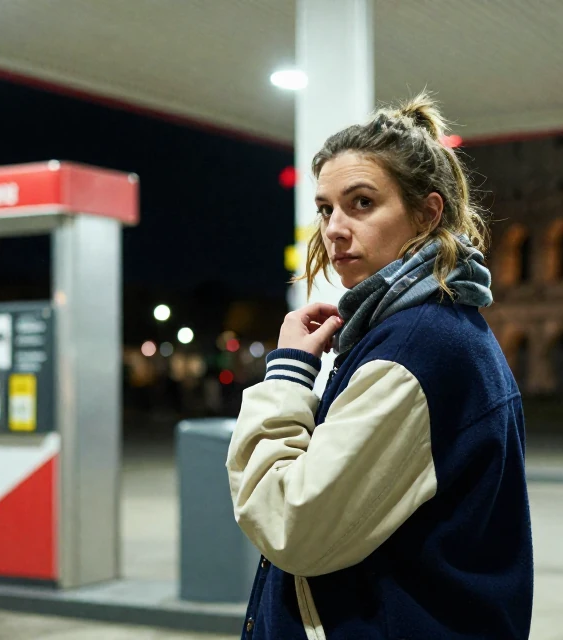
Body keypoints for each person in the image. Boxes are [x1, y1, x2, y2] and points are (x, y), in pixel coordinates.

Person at [226, 92, 533, 639]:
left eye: (362, 203)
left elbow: (289, 520)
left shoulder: (415, 348)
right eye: (326, 209)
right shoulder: (434, 328)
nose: (335, 229)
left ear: (426, 213)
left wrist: (288, 372)